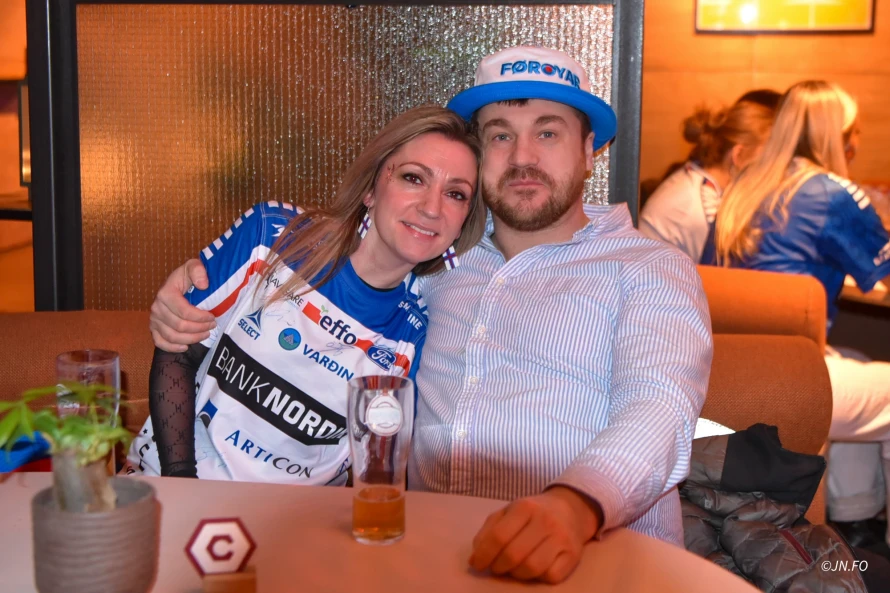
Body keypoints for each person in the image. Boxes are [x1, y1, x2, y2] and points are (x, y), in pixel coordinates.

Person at [148, 46, 713, 583]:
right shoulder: (437, 265)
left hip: (600, 560)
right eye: (500, 135)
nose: (523, 157)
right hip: (432, 560)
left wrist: (575, 505)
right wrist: (184, 291)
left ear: (590, 151)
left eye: (548, 133)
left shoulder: (648, 267)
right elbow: (341, 275)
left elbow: (659, 406)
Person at [124, 105, 487, 483]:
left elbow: (376, 462)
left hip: (296, 516)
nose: (431, 208)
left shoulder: (420, 329)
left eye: (456, 194)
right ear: (371, 189)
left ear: (464, 223)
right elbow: (178, 353)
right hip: (171, 484)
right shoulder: (272, 235)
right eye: (413, 178)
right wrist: (182, 484)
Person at [712, 80, 890, 549]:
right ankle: (865, 531)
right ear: (839, 135)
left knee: (852, 362)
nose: (857, 141)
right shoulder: (834, 192)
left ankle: (854, 524)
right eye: (854, 131)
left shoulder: (744, 185)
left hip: (723, 374)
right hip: (788, 382)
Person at [639, 91, 778, 262]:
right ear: (738, 155)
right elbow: (723, 268)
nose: (774, 168)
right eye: (767, 158)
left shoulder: (697, 176)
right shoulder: (700, 208)